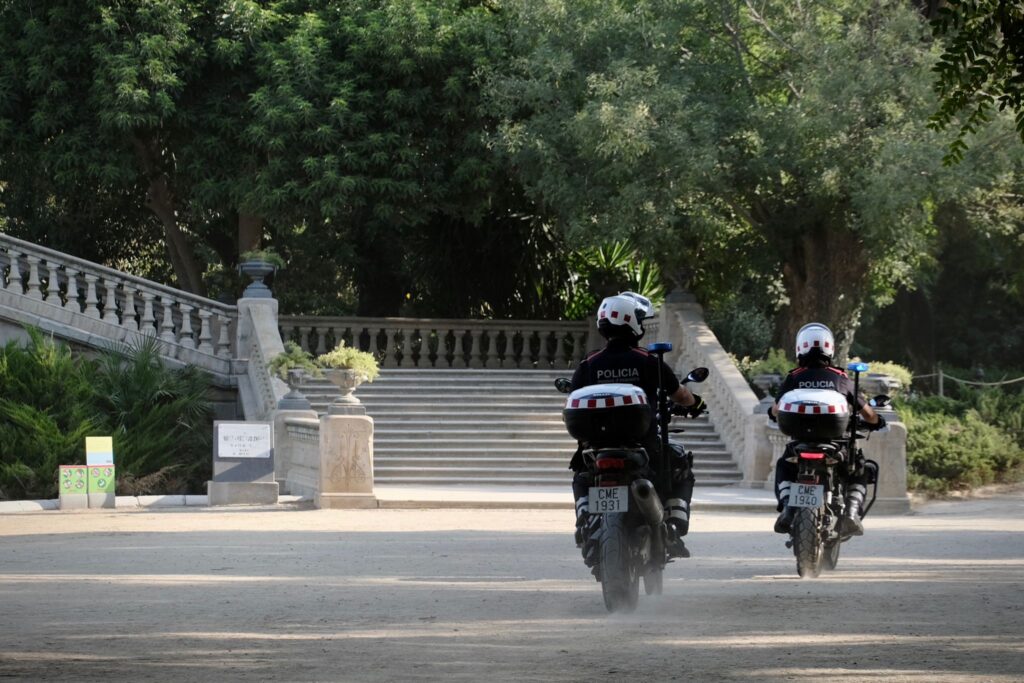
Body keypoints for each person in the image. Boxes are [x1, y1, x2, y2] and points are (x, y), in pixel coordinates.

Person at [569, 292, 706, 560]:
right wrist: (696, 404)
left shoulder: (589, 364)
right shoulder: (647, 360)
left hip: (597, 447)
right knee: (679, 464)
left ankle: (585, 515)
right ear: (633, 322)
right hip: (642, 444)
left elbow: (573, 397)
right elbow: (680, 395)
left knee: (581, 475)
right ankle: (675, 525)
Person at [768, 322, 886, 537]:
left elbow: (776, 410)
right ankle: (850, 512)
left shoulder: (794, 376)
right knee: (858, 468)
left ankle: (787, 506)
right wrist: (877, 421)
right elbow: (867, 413)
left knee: (784, 465)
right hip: (835, 444)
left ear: (800, 348)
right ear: (830, 348)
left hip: (800, 444)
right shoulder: (840, 377)